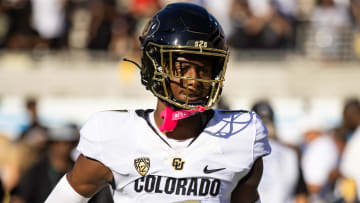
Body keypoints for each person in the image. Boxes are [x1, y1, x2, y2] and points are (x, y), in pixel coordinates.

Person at [45, 3, 271, 203]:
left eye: (203, 68)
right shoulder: (112, 135)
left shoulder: (242, 137)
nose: (193, 80)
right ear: (154, 66)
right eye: (182, 68)